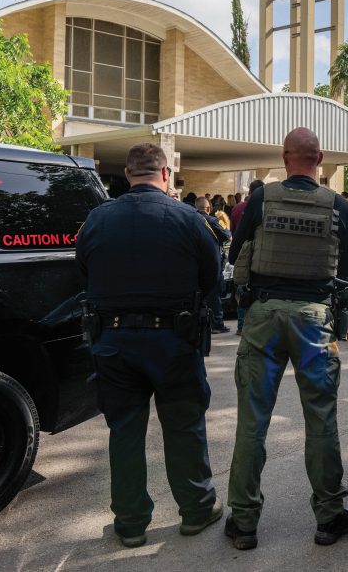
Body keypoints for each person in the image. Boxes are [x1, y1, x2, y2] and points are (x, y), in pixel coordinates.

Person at [76, 142, 222, 548]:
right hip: (174, 341)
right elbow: (212, 280)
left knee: (124, 431)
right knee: (184, 427)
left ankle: (130, 523)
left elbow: (83, 271)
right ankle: (196, 510)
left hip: (114, 342)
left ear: (127, 175)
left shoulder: (97, 219)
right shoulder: (189, 219)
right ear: (165, 175)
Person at [225, 127, 348, 550]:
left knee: (252, 420)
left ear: (285, 158)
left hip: (264, 315)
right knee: (321, 418)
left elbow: (235, 254)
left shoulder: (263, 199)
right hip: (314, 318)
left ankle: (244, 523)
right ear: (319, 159)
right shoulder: (337, 205)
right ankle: (330, 516)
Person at [229, 179, 263, 335]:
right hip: (259, 254)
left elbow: (233, 232)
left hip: (242, 254)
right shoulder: (264, 207)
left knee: (242, 289)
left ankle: (241, 326)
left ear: (249, 191)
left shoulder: (237, 208)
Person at [196, 196, 231, 333]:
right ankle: (216, 323)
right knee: (214, 295)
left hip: (194, 263)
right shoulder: (214, 221)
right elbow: (228, 235)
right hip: (212, 263)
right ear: (209, 208)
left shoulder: (189, 220)